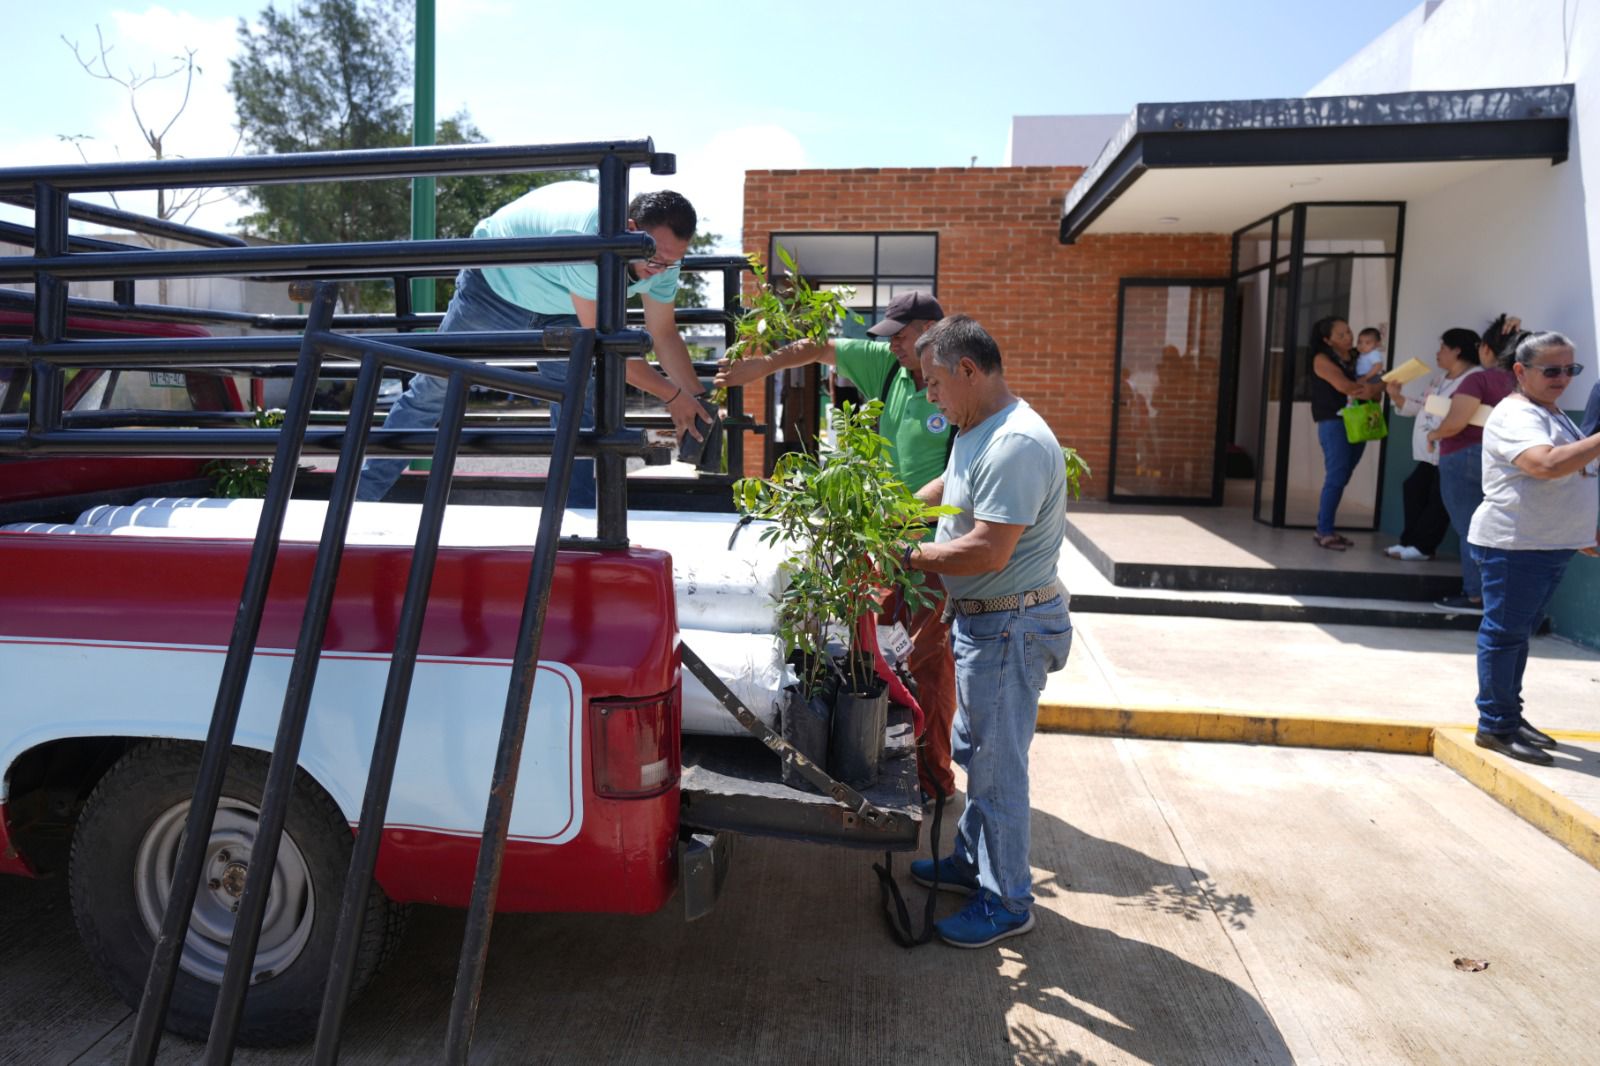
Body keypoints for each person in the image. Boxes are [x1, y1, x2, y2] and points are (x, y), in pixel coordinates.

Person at [713, 291, 958, 807]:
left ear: (933, 329)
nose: (892, 346)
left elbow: (961, 476)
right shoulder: (889, 370)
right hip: (881, 547)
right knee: (876, 659)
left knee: (929, 663)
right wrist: (754, 368)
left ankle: (935, 776)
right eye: (888, 338)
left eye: (901, 336)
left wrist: (904, 516)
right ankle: (891, 755)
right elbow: (815, 348)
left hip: (933, 555)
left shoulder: (956, 385)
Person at [356, 182, 713, 506]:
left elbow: (664, 333)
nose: (663, 269)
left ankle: (577, 519)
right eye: (657, 258)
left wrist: (697, 404)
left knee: (576, 406)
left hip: (565, 305)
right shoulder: (591, 235)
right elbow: (608, 347)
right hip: (494, 287)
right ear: (631, 231)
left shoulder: (664, 260)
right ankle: (359, 501)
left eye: (674, 261)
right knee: (434, 388)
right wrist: (671, 396)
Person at [901, 315, 1072, 948]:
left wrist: (908, 556)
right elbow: (949, 487)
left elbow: (988, 549)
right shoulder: (975, 427)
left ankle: (1008, 902)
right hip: (984, 624)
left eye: (933, 381)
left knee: (998, 770)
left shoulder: (1016, 443)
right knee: (978, 754)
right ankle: (973, 863)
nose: (928, 395)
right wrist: (890, 514)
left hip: (1010, 626)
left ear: (968, 372)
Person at [1466, 331, 1600, 765]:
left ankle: (1509, 715)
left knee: (1517, 635)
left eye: (1570, 369)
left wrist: (1582, 531)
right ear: (1521, 371)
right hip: (1515, 545)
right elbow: (1544, 465)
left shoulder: (1551, 411)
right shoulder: (1516, 415)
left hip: (1546, 543)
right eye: (1552, 370)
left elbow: (1576, 472)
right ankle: (1495, 727)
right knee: (1504, 636)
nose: (1563, 378)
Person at [1427, 314, 1522, 610]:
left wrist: (1434, 433)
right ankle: (1497, 595)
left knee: (1470, 528)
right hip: (1505, 460)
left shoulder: (1479, 379)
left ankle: (1475, 594)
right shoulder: (1523, 382)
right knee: (1498, 529)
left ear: (1486, 350)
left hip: (1464, 455)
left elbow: (1456, 422)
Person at [1383, 328, 1481, 561]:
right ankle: (1410, 542)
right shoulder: (1440, 379)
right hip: (1428, 451)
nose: (1438, 353)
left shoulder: (1474, 378)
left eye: (1443, 348)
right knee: (1415, 488)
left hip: (1450, 449)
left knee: (1439, 497)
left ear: (1457, 350)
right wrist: (1397, 396)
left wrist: (1438, 434)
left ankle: (1423, 547)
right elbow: (1424, 405)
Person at [1308, 317, 1383, 551]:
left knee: (1343, 475)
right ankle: (1324, 531)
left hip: (1359, 420)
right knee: (1337, 475)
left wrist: (1376, 388)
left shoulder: (1358, 359)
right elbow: (1346, 387)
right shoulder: (1321, 359)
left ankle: (1326, 527)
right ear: (1327, 340)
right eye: (1341, 335)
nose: (1349, 337)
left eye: (1349, 332)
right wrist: (1373, 388)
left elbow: (1379, 390)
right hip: (1334, 422)